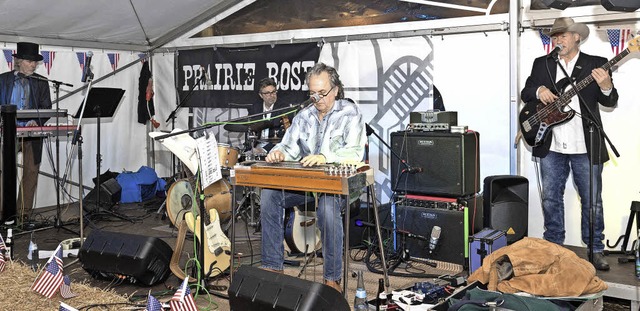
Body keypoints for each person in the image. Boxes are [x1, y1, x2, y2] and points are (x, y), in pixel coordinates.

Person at [520, 17, 618, 271]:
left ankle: (595, 248)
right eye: (555, 36)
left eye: (563, 35)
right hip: (551, 144)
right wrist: (539, 89)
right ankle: (553, 247)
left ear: (577, 37)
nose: (558, 40)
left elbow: (610, 101)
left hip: (585, 144)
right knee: (551, 198)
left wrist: (606, 87)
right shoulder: (542, 63)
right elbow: (526, 93)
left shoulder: (595, 64)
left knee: (592, 200)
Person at [260, 63, 366, 292]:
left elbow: (356, 152)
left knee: (327, 208)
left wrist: (324, 156)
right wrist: (278, 153)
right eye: (312, 93)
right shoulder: (304, 116)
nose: (317, 98)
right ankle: (272, 268)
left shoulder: (350, 113)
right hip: (308, 187)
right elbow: (288, 146)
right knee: (269, 195)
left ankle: (332, 280)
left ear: (336, 90)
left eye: (323, 92)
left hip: (338, 186)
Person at [0, 42, 53, 224]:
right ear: (20, 61)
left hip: (32, 134)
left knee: (31, 172)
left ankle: (23, 215)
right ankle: (4, 215)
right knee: (4, 173)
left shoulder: (41, 82)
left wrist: (36, 122)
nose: (33, 65)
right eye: (30, 61)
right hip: (7, 135)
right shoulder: (3, 80)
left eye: (35, 62)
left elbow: (47, 107)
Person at [246, 77, 291, 155]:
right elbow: (249, 130)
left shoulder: (283, 109)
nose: (272, 95)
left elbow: (285, 136)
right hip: (257, 147)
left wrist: (264, 150)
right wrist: (251, 148)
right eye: (267, 93)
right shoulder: (255, 109)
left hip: (275, 149)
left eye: (273, 92)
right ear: (261, 95)